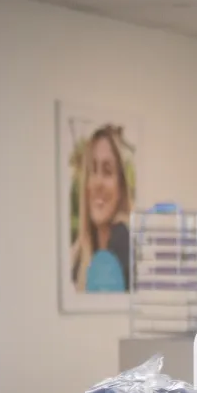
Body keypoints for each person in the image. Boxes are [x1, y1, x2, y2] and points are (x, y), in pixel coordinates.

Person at [72, 125, 132, 295]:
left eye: (107, 171)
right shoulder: (78, 256)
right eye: (93, 171)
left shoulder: (125, 242)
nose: (98, 182)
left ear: (120, 187)